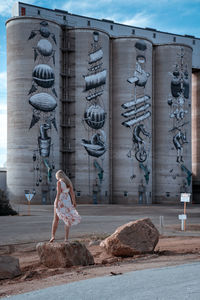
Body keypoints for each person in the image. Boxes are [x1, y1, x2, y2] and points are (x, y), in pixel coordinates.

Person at [49, 170, 81, 242]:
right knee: (67, 219)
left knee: (55, 219)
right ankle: (66, 239)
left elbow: (58, 194)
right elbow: (72, 193)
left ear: (58, 176)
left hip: (60, 200)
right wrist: (74, 202)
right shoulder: (69, 182)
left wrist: (56, 203)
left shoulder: (59, 182)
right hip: (67, 201)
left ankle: (53, 236)